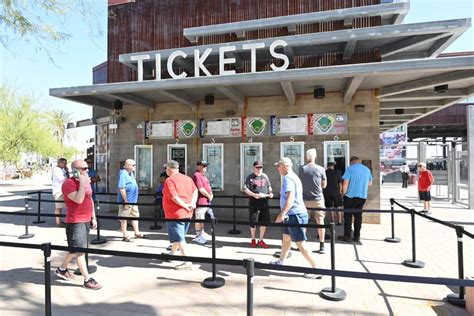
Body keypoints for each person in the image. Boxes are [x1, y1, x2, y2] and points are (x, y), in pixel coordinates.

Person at [55, 159, 102, 290]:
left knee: (74, 248)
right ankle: (87, 279)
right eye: (84, 169)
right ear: (75, 170)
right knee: (80, 250)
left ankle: (62, 269)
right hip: (75, 221)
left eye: (87, 168)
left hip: (86, 219)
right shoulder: (68, 184)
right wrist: (82, 183)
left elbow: (89, 198)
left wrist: (93, 217)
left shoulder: (86, 182)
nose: (87, 171)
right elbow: (79, 199)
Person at [271, 157, 321, 279]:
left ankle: (317, 268)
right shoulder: (292, 176)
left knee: (300, 244)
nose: (277, 168)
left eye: (279, 166)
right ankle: (281, 261)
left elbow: (290, 198)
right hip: (292, 215)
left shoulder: (288, 178)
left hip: (295, 215)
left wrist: (282, 213)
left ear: (285, 166)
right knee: (286, 239)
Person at [162, 160, 198, 270]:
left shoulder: (169, 180)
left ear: (169, 169)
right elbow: (195, 191)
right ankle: (172, 254)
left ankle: (187, 262)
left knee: (180, 238)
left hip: (175, 213)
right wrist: (192, 203)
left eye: (166, 168)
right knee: (179, 236)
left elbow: (174, 197)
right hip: (187, 213)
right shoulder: (187, 178)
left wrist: (185, 205)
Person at [338, 156, 373, 243]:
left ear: (351, 162)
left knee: (348, 217)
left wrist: (344, 193)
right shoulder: (367, 170)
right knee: (358, 217)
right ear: (359, 161)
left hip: (349, 197)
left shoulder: (350, 169)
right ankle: (357, 236)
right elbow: (370, 183)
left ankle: (347, 236)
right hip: (362, 197)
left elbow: (345, 182)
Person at [299, 149, 327, 254]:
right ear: (315, 157)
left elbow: (300, 182)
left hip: (305, 199)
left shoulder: (302, 169)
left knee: (303, 221)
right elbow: (324, 185)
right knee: (320, 221)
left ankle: (301, 243)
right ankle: (322, 245)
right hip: (318, 199)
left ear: (307, 157)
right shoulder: (321, 169)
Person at [244, 160, 273, 248]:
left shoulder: (265, 176)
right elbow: (246, 189)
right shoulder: (250, 177)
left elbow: (269, 187)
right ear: (254, 168)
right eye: (257, 167)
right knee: (253, 221)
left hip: (264, 202)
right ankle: (253, 239)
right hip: (254, 202)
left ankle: (261, 240)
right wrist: (254, 195)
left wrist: (270, 192)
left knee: (264, 221)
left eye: (260, 167)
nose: (259, 169)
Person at [117, 159, 147, 242]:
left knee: (135, 216)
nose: (135, 166)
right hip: (126, 201)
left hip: (133, 200)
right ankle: (125, 235)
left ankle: (137, 232)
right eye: (133, 165)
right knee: (124, 218)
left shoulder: (131, 173)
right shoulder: (123, 173)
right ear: (128, 165)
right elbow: (122, 188)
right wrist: (126, 201)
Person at [193, 160, 214, 244]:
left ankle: (201, 232)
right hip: (200, 200)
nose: (205, 167)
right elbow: (201, 189)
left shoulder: (203, 175)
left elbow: (207, 186)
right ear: (198, 166)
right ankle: (198, 235)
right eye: (203, 166)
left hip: (205, 200)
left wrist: (211, 194)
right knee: (199, 218)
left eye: (205, 166)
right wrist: (209, 195)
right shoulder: (197, 175)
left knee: (202, 218)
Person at [324, 162, 343, 226]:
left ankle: (332, 221)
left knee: (330, 208)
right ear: (333, 167)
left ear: (327, 166)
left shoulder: (325, 173)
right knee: (338, 207)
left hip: (327, 192)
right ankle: (339, 221)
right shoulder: (337, 173)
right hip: (336, 193)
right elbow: (340, 184)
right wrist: (340, 192)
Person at [51, 158, 69, 226]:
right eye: (64, 163)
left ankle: (60, 221)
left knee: (61, 206)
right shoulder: (56, 169)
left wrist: (67, 171)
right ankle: (58, 222)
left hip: (63, 190)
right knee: (58, 206)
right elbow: (62, 179)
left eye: (66, 163)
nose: (65, 165)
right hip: (58, 190)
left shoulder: (63, 169)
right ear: (60, 163)